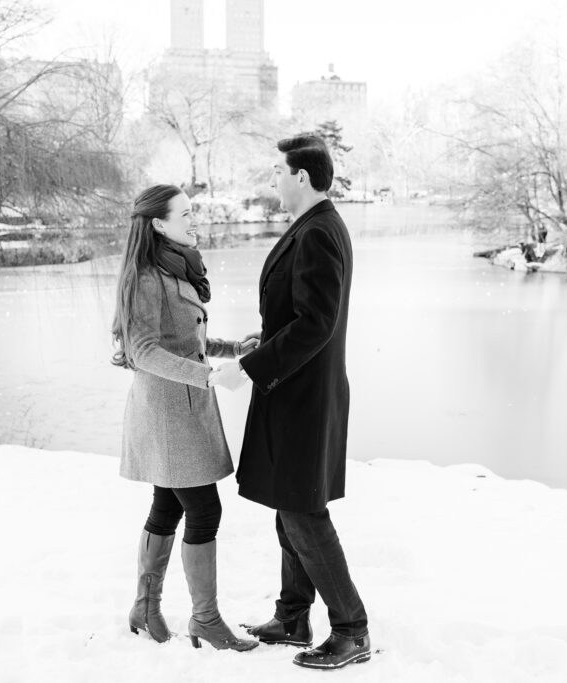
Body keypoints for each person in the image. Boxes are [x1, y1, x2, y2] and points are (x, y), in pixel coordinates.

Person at [209, 135, 371, 670]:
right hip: (296, 391)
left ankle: (351, 629)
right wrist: (264, 340)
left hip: (304, 396)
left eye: (279, 172)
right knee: (289, 505)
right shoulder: (312, 227)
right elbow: (296, 316)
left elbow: (316, 324)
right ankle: (294, 615)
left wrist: (250, 369)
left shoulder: (320, 233)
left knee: (303, 512)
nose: (274, 180)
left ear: (301, 177)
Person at [111, 184, 258, 652]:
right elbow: (144, 351)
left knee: (168, 504)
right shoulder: (147, 277)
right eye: (187, 214)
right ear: (158, 224)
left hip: (183, 408)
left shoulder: (175, 267)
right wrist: (210, 376)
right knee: (204, 510)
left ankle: (145, 607)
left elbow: (184, 337)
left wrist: (232, 348)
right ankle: (206, 620)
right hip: (168, 413)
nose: (195, 220)